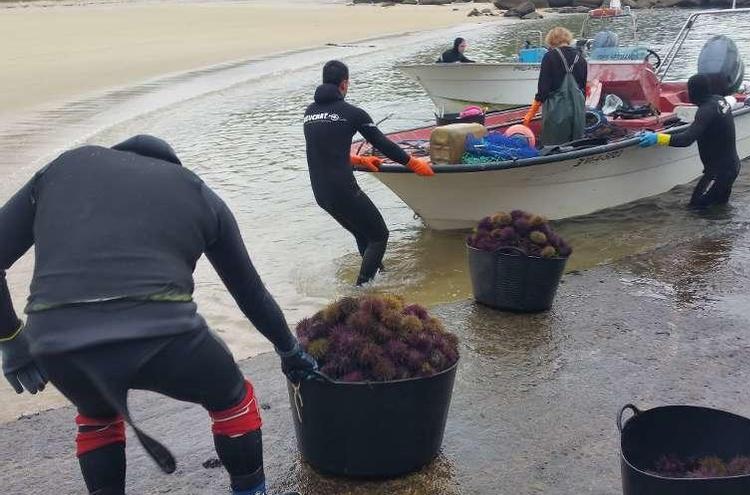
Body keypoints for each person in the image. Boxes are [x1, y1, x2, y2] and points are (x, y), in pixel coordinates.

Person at [0, 135, 317, 495]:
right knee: (232, 398)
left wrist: (11, 339)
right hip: (166, 336)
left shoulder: (62, 169)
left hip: (58, 342)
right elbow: (250, 293)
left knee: (97, 415)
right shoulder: (195, 190)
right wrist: (289, 350)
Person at [303, 60, 434, 286]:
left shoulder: (310, 113)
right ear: (344, 84)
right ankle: (362, 291)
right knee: (379, 235)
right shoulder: (353, 113)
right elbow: (383, 144)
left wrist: (358, 159)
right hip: (343, 190)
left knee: (363, 234)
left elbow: (324, 150)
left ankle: (379, 277)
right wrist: (413, 163)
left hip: (321, 194)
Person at [639, 74, 741, 209]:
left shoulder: (705, 111)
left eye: (689, 90)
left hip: (718, 173)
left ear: (694, 92)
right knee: (719, 208)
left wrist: (658, 138)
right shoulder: (719, 101)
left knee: (695, 209)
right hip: (730, 167)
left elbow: (686, 139)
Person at [522, 27, 588, 146]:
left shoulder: (549, 57)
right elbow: (583, 89)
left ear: (551, 41)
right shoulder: (581, 58)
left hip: (556, 110)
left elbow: (543, 90)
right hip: (578, 109)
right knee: (576, 143)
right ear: (568, 39)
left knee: (554, 145)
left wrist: (530, 114)